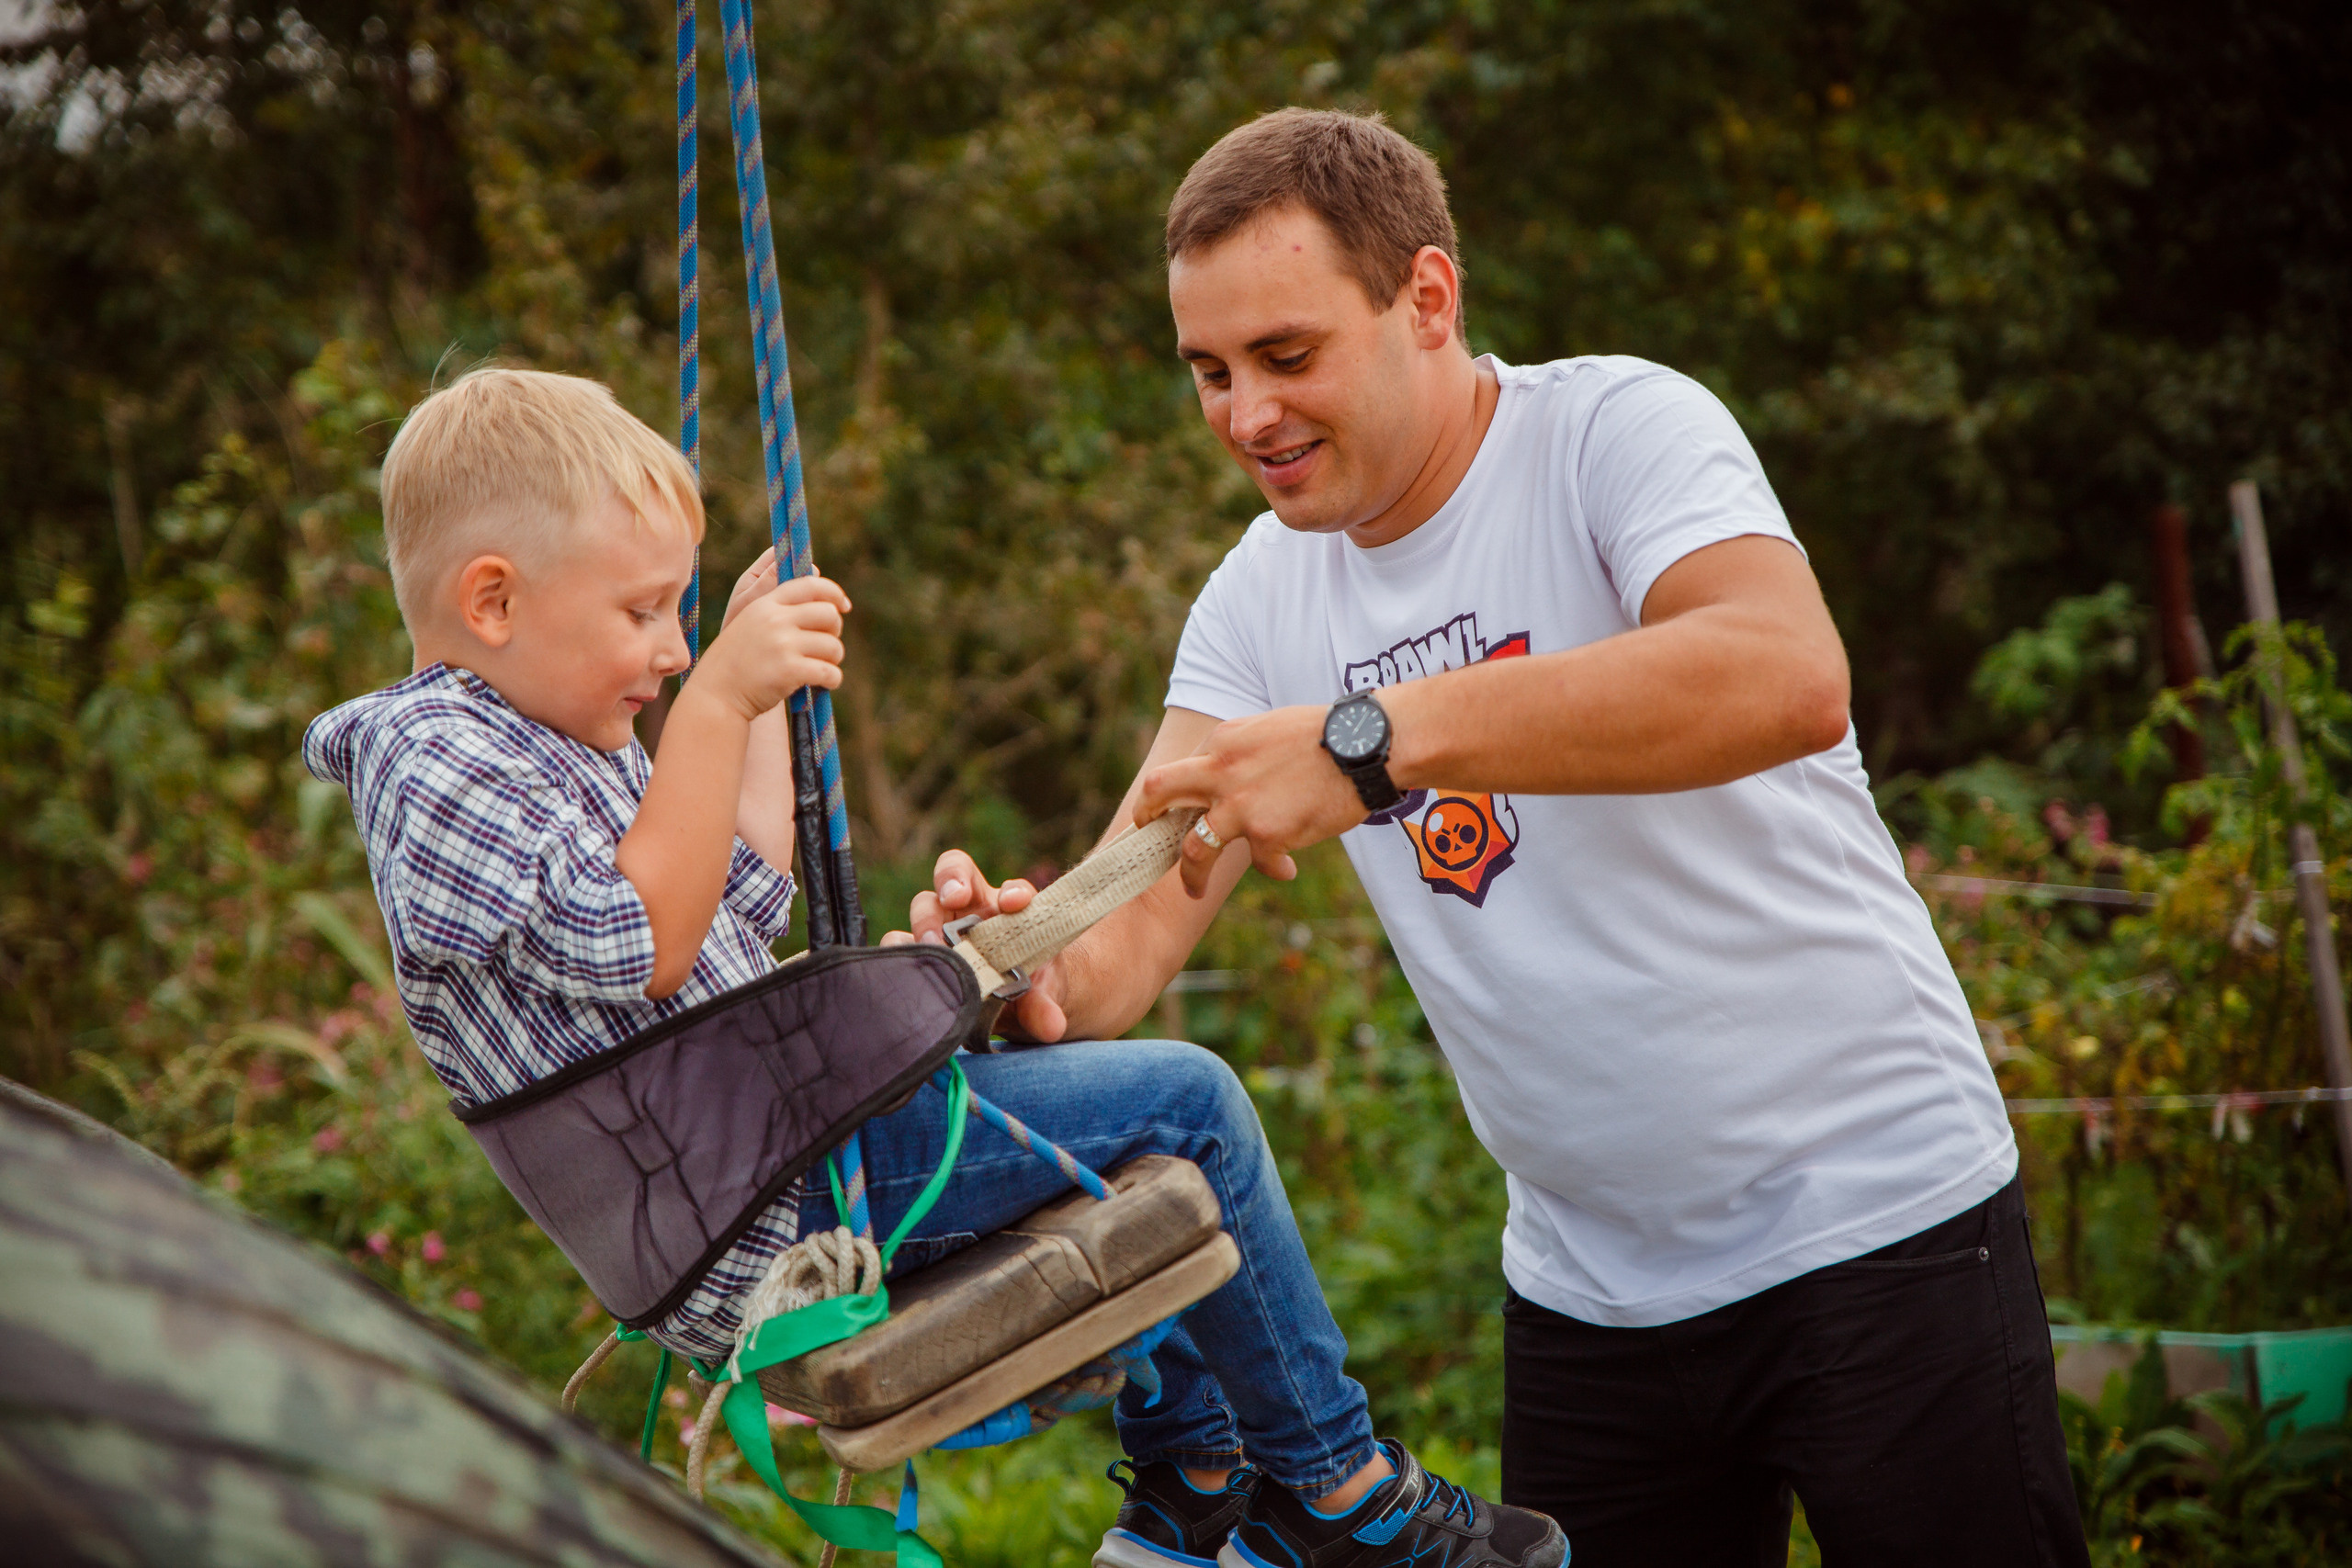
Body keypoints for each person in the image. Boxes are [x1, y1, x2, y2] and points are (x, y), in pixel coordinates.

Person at [904, 109, 2092, 1568]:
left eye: (1286, 356)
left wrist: (1370, 741)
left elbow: (1785, 675)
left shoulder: (1615, 432)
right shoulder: (1259, 600)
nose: (1243, 416)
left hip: (1879, 1229)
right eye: (1208, 373)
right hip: (1592, 1299)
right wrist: (1000, 958)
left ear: (1427, 299)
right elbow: (1120, 944)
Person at [302, 367, 1566, 1568]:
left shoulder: (552, 733)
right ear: (493, 604)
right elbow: (646, 943)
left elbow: (736, 890)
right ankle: (1342, 1498)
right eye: (642, 615)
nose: (673, 652)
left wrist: (754, 698)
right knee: (1192, 1106)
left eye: (680, 616)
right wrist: (712, 712)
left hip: (765, 1162)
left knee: (1129, 1127)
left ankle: (1196, 1475)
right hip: (758, 1208)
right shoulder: (432, 759)